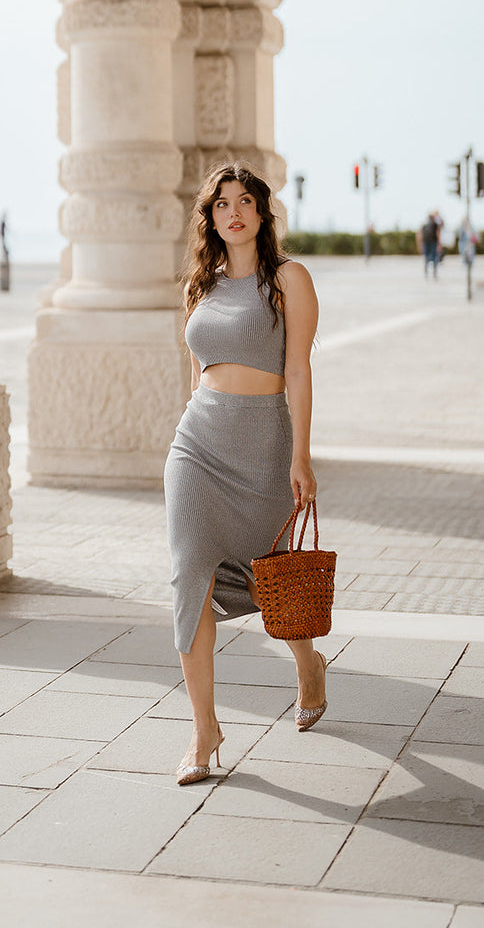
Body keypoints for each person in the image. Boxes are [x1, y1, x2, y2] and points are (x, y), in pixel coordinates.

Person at [164, 161, 325, 785]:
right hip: (197, 446)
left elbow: (301, 372)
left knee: (272, 576)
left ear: (262, 214)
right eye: (222, 203)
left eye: (245, 202)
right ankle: (205, 731)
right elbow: (199, 372)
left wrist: (301, 455)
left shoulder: (288, 280)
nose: (234, 212)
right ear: (211, 218)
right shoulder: (199, 287)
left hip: (262, 446)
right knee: (190, 577)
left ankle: (307, 664)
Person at [417, 213, 439, 279]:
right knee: (435, 257)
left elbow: (420, 235)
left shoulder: (424, 225)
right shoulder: (435, 225)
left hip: (426, 242)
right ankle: (434, 272)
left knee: (426, 257)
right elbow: (438, 234)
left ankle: (426, 271)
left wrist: (420, 244)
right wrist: (439, 244)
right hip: (433, 243)